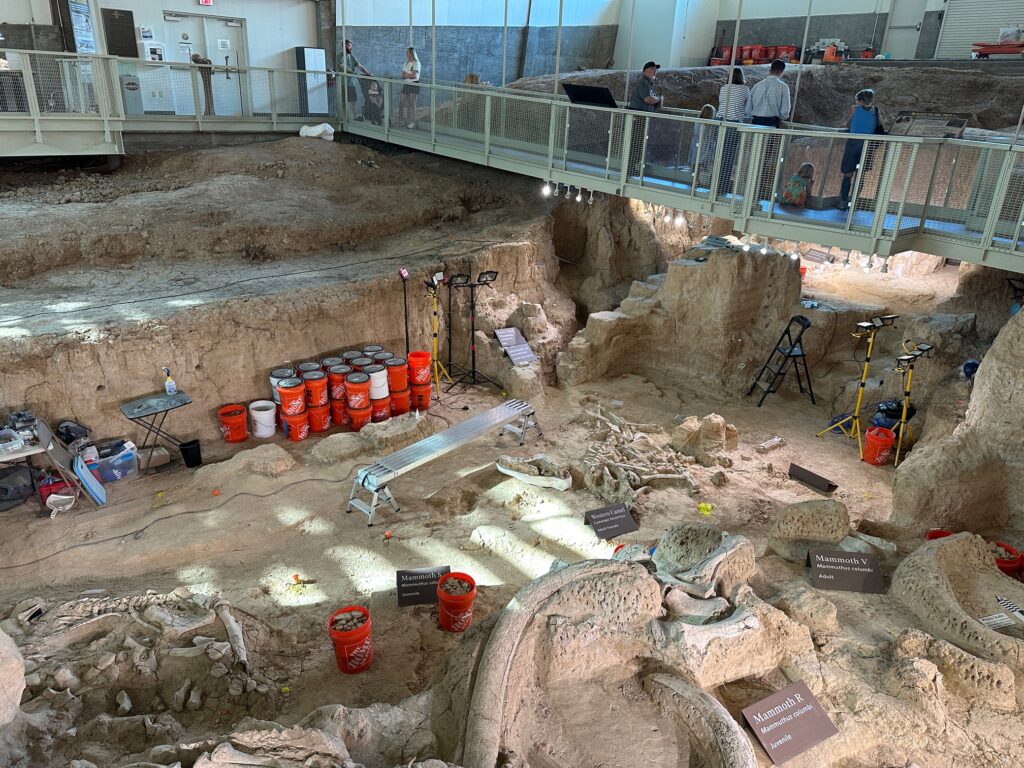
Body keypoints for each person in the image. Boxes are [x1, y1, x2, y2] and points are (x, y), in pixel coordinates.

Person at [838, 88, 882, 210]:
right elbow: (880, 125)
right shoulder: (876, 111)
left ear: (860, 100)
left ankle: (843, 201)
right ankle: (855, 201)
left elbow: (849, 124)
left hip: (853, 143)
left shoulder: (855, 109)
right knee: (861, 174)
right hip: (867, 145)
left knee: (848, 173)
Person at [716, 67, 750, 196]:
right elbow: (748, 110)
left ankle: (715, 184)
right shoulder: (745, 89)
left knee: (719, 154)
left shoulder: (724, 88)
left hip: (719, 121)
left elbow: (721, 104)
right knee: (729, 157)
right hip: (734, 124)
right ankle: (722, 188)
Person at [627, 61, 664, 176]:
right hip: (638, 116)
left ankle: (633, 167)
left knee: (639, 143)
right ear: (646, 70)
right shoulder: (642, 82)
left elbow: (654, 101)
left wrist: (657, 100)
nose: (655, 71)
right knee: (635, 143)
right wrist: (658, 99)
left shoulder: (649, 84)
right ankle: (630, 168)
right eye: (653, 69)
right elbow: (647, 99)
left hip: (643, 117)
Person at [749, 59, 790, 128]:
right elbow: (785, 109)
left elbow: (749, 104)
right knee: (770, 139)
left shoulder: (757, 85)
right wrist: (783, 117)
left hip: (755, 120)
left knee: (755, 139)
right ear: (781, 72)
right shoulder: (783, 87)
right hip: (772, 121)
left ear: (770, 69)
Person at [337, 39, 371, 120]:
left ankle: (355, 117)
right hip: (342, 83)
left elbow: (360, 66)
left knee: (353, 101)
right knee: (343, 101)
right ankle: (344, 118)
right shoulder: (339, 56)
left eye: (351, 45)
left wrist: (368, 73)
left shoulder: (352, 57)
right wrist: (352, 72)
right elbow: (342, 67)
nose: (351, 47)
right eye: (349, 45)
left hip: (351, 83)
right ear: (344, 46)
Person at [687, 104, 717, 178]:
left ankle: (694, 177)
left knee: (696, 160)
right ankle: (696, 179)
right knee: (699, 162)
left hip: (695, 142)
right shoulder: (709, 124)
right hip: (703, 145)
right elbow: (710, 136)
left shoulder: (697, 121)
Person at [398, 47, 420, 129]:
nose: (406, 54)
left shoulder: (416, 63)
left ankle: (413, 122)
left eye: (407, 53)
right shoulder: (406, 63)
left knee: (412, 104)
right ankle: (401, 120)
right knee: (401, 103)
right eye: (406, 53)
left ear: (412, 54)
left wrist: (407, 75)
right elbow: (402, 75)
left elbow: (414, 75)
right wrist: (408, 75)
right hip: (406, 84)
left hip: (414, 85)